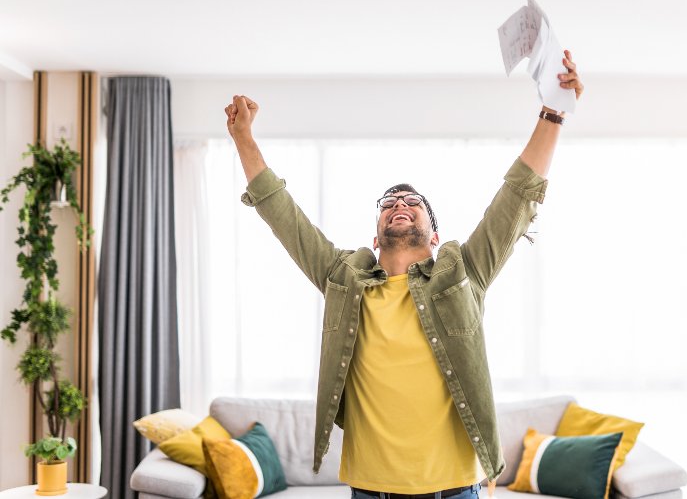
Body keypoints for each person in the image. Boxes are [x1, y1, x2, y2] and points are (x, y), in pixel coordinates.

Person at [225, 50, 584, 499]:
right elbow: (283, 215)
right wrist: (243, 139)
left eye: (413, 203)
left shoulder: (463, 272)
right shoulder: (343, 277)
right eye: (389, 203)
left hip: (455, 488)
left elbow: (517, 196)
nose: (399, 204)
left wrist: (553, 113)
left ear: (435, 236)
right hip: (371, 490)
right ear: (375, 239)